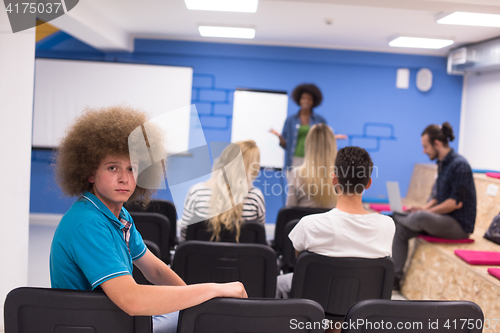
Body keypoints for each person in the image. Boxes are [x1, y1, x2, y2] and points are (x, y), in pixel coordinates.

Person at [50, 106, 247, 333]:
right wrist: (214, 290)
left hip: (110, 319)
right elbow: (132, 300)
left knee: (199, 318)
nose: (124, 178)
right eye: (112, 168)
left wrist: (197, 305)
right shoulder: (87, 224)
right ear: (90, 173)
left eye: (132, 168)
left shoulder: (118, 216)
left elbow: (157, 272)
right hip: (94, 326)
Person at [276, 146, 395, 299]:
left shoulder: (309, 225)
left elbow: (300, 266)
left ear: (334, 179)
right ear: (368, 183)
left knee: (280, 282)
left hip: (318, 302)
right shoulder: (387, 225)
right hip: (364, 306)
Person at [392, 122, 477, 290]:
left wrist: (426, 213)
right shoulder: (442, 164)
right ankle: (394, 279)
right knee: (401, 230)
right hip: (440, 219)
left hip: (458, 225)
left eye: (426, 147)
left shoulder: (460, 165)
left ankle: (397, 216)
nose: (424, 151)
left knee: (420, 217)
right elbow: (438, 197)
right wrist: (424, 208)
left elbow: (454, 203)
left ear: (437, 144)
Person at [180, 140, 265, 242]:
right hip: (243, 258)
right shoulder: (255, 198)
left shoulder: (197, 192)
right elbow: (258, 240)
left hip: (201, 257)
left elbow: (185, 235)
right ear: (254, 168)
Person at [270, 83, 346, 171]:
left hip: (313, 159)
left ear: (314, 101)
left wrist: (332, 137)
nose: (306, 101)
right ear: (299, 100)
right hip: (294, 159)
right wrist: (279, 136)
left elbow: (323, 140)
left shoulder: (319, 120)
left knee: (311, 184)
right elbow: (285, 144)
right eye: (303, 98)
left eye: (309, 99)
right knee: (294, 184)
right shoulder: (290, 120)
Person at [286, 123, 337, 208]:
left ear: (309, 144)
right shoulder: (342, 175)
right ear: (332, 144)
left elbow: (289, 210)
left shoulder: (297, 174)